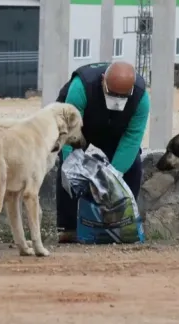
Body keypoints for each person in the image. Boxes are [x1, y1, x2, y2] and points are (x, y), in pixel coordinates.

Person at [54, 61, 150, 243]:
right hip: (79, 128)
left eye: (122, 97)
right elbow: (66, 131)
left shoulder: (141, 99)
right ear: (103, 81)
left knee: (133, 166)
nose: (117, 99)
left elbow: (132, 138)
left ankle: (123, 224)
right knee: (69, 168)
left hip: (116, 130)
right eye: (112, 94)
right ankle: (68, 228)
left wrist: (114, 176)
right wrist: (69, 162)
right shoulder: (82, 87)